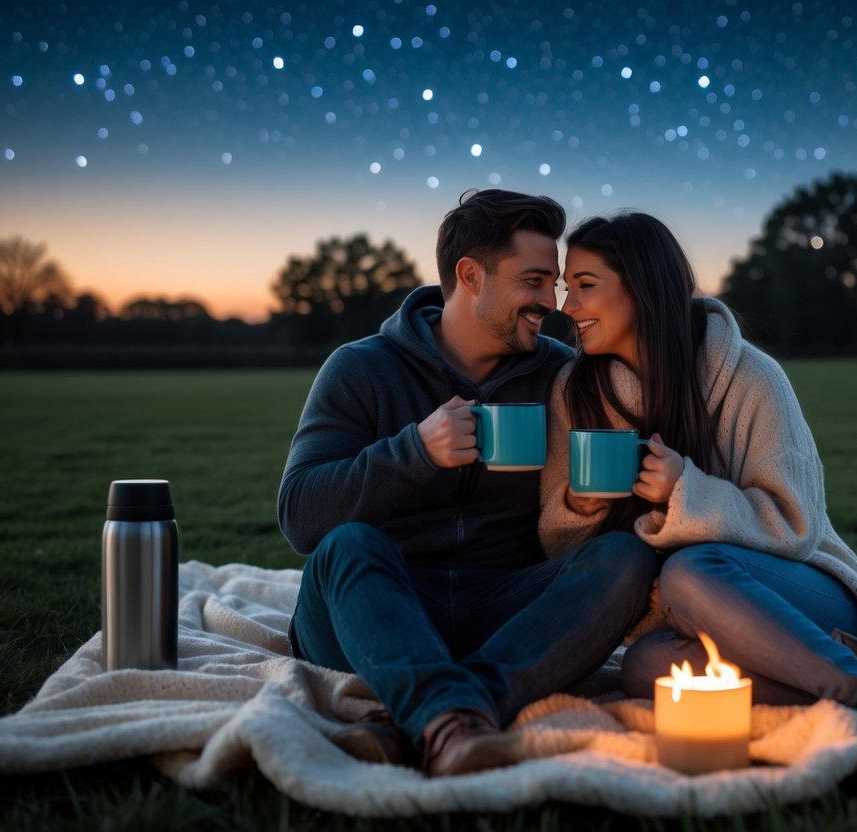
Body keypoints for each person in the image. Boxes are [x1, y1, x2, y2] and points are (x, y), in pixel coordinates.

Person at [538, 212, 857, 768]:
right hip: (688, 620)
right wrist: (577, 508)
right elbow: (559, 548)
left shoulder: (750, 377)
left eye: (585, 286)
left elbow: (794, 523)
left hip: (806, 592)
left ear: (643, 288)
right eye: (565, 288)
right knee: (648, 666)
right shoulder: (574, 392)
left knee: (690, 571)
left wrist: (686, 493)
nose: (567, 307)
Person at [278, 190, 657, 778]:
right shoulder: (361, 369)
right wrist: (414, 452)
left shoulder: (562, 372)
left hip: (504, 608)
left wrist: (591, 499)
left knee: (626, 557)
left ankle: (432, 715)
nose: (550, 303)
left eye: (553, 284)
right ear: (470, 275)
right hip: (379, 611)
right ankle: (458, 720)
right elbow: (301, 517)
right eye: (533, 280)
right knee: (347, 546)